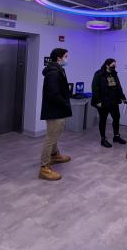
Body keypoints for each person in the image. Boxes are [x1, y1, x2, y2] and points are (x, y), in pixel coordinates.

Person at [39, 48, 72, 181]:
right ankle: (44, 167)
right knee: (50, 138)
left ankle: (55, 155)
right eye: (66, 56)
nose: (67, 59)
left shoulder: (57, 69)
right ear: (59, 58)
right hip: (54, 110)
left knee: (55, 135)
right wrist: (65, 103)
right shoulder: (53, 72)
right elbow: (53, 93)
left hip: (57, 109)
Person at [91, 58, 127, 148]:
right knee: (103, 120)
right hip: (103, 102)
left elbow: (118, 86)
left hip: (114, 101)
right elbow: (94, 88)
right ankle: (103, 139)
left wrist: (123, 97)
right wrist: (98, 101)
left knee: (116, 118)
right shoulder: (99, 74)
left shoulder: (114, 74)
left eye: (115, 65)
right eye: (113, 65)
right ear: (107, 65)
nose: (114, 66)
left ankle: (116, 136)